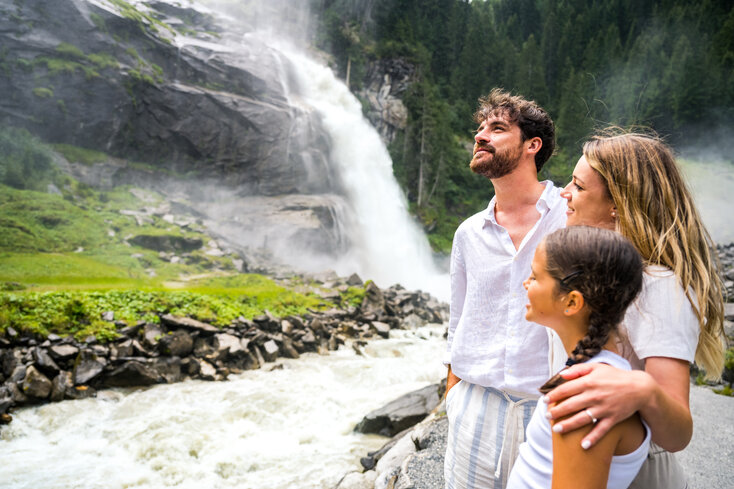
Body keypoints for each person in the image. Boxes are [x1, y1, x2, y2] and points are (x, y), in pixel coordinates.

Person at [543, 130, 726, 488]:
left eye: (579, 187)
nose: (564, 192)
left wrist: (642, 390)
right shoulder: (595, 272)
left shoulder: (658, 285)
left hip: (636, 474)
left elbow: (677, 434)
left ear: (617, 203)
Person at [443, 89, 566, 489]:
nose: (480, 136)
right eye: (480, 128)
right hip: (475, 406)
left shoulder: (571, 216)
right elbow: (457, 318)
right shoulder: (467, 234)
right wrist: (453, 399)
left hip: (550, 407)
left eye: (497, 128)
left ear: (533, 145)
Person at [507, 226, 650, 489]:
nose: (525, 284)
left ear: (572, 302)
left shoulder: (586, 397)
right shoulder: (604, 375)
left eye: (536, 277)